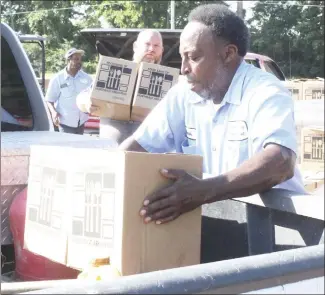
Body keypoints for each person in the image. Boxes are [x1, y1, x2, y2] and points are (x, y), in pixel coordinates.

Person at [119, 4, 306, 225]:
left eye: (193, 57)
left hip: (276, 229)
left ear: (228, 54)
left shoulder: (265, 91)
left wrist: (204, 191)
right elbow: (134, 150)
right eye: (182, 57)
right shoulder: (182, 95)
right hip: (219, 222)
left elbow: (280, 162)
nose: (183, 68)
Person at [78, 29, 164, 143]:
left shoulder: (169, 84)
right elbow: (81, 97)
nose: (151, 49)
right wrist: (87, 103)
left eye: (156, 45)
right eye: (147, 44)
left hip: (147, 154)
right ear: (135, 47)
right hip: (113, 150)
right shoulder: (115, 70)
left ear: (161, 50)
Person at [45, 48, 93, 135]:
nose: (79, 62)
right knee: (68, 148)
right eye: (76, 59)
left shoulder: (87, 79)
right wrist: (53, 113)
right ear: (68, 60)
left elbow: (92, 96)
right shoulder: (58, 79)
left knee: (78, 148)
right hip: (65, 123)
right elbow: (49, 100)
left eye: (80, 59)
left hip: (81, 122)